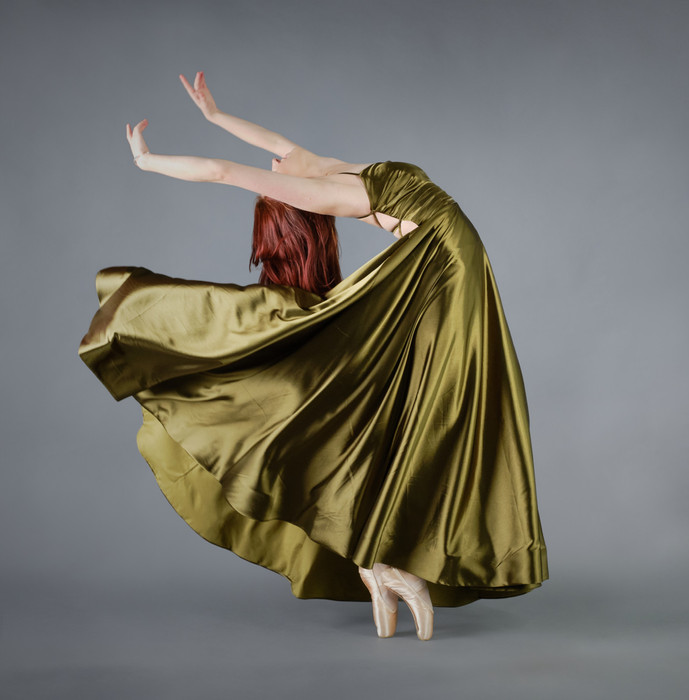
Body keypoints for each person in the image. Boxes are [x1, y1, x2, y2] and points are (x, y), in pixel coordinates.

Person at [78, 72, 549, 641]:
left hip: (454, 270)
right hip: (446, 272)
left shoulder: (325, 166)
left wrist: (215, 115)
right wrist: (147, 162)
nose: (277, 164)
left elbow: (275, 146)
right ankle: (380, 561)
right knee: (392, 407)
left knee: (413, 410)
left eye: (282, 164)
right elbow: (224, 172)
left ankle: (381, 560)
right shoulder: (328, 190)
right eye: (277, 172)